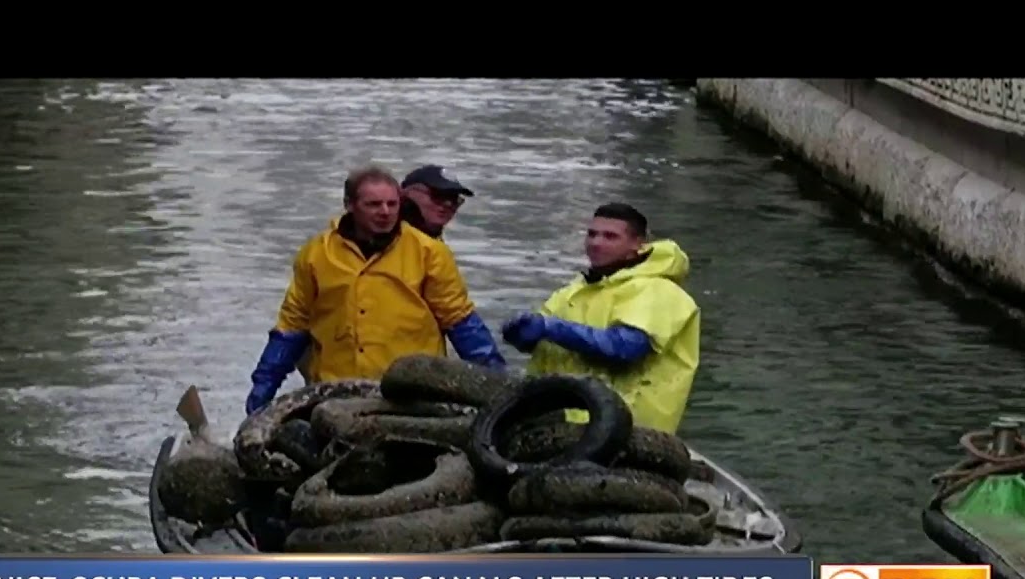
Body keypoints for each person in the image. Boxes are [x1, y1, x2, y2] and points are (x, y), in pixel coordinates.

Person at [246, 165, 505, 415]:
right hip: (334, 390)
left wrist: (497, 383)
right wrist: (264, 384)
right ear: (349, 205)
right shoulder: (317, 254)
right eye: (374, 205)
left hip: (409, 394)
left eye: (392, 205)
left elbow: (460, 322)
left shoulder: (429, 253)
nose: (385, 212)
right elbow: (292, 325)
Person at [500, 203, 700, 434]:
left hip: (625, 427)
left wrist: (552, 328)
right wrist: (521, 335)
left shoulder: (660, 291)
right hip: (560, 419)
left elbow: (625, 348)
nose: (596, 243)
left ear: (638, 245)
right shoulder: (576, 290)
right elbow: (543, 340)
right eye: (592, 234)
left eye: (610, 236)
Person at [398, 164, 474, 240]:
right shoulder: (390, 238)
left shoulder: (434, 242)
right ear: (405, 193)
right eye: (438, 194)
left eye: (454, 199)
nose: (448, 204)